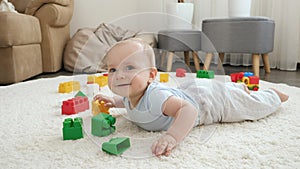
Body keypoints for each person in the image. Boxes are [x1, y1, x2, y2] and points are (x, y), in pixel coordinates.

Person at [94, 38, 289, 157]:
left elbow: (189, 109)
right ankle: (236, 88)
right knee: (228, 92)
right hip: (193, 90)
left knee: (250, 108)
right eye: (113, 69)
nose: (119, 75)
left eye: (129, 68)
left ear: (151, 76)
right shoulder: (130, 93)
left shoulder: (156, 97)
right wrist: (115, 102)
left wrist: (172, 136)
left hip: (208, 103)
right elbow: (130, 103)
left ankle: (271, 96)